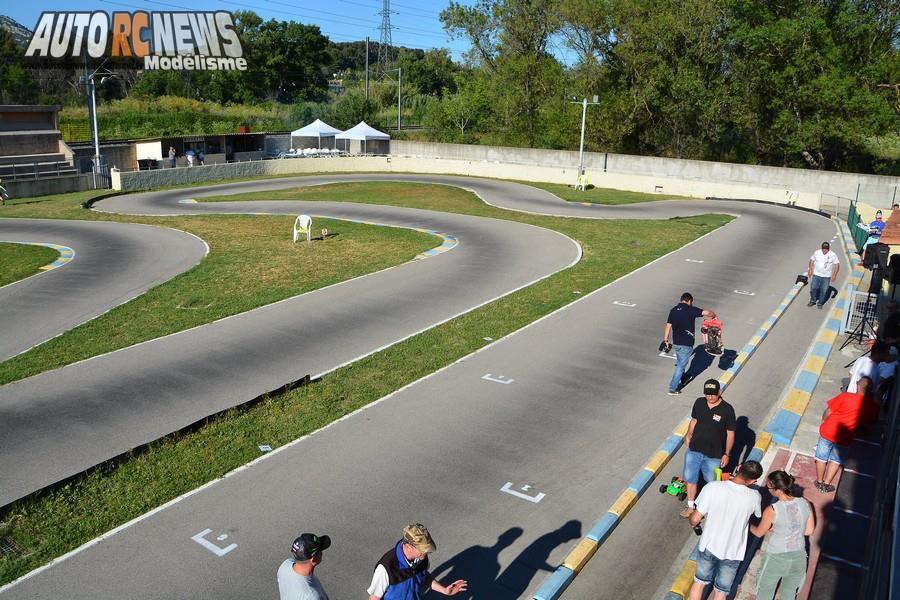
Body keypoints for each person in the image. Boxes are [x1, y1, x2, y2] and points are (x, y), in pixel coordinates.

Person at [687, 461, 763, 600]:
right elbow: (757, 516)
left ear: (739, 468)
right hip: (733, 552)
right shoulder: (755, 496)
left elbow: (695, 519)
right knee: (721, 592)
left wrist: (692, 521)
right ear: (753, 480)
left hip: (709, 546)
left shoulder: (712, 487)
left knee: (699, 583)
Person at [750, 471, 815, 600]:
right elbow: (809, 531)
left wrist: (747, 525)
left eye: (769, 487)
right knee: (789, 594)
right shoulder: (806, 503)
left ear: (777, 489)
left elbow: (759, 532)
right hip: (799, 557)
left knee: (765, 593)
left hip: (776, 557)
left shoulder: (772, 510)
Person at [680, 379, 736, 519]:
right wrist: (688, 434)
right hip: (694, 449)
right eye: (707, 394)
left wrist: (727, 454)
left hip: (714, 454)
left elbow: (730, 433)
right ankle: (691, 506)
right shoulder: (699, 402)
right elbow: (694, 421)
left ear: (720, 392)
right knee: (690, 478)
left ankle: (709, 505)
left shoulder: (727, 410)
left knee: (711, 482)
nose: (710, 397)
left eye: (713, 394)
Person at [367, 523, 467, 600]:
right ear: (409, 546)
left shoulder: (421, 557)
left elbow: (423, 576)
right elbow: (374, 598)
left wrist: (445, 590)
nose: (427, 552)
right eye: (422, 549)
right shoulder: (386, 568)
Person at [815, 376, 876, 493]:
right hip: (845, 436)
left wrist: (824, 421)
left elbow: (828, 411)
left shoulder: (845, 396)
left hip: (828, 430)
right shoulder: (869, 406)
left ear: (857, 385)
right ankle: (826, 484)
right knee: (836, 460)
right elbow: (871, 421)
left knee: (821, 457)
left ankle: (819, 481)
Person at [663, 292, 717, 395]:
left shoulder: (673, 310)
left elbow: (668, 326)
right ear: (689, 301)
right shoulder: (690, 309)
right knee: (681, 366)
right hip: (686, 344)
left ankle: (684, 378)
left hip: (676, 343)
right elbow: (706, 312)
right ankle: (672, 388)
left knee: (680, 363)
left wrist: (665, 340)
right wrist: (714, 316)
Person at [277, 532, 331, 600]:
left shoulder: (285, 565)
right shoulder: (312, 596)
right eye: (320, 551)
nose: (322, 553)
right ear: (313, 559)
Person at [807, 241, 840, 309]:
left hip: (826, 276)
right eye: (824, 249)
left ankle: (820, 303)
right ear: (821, 248)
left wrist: (834, 275)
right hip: (816, 274)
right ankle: (813, 300)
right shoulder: (817, 252)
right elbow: (812, 260)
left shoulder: (833, 255)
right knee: (813, 288)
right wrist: (810, 270)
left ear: (828, 249)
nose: (825, 250)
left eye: (826, 249)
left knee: (824, 290)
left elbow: (837, 265)